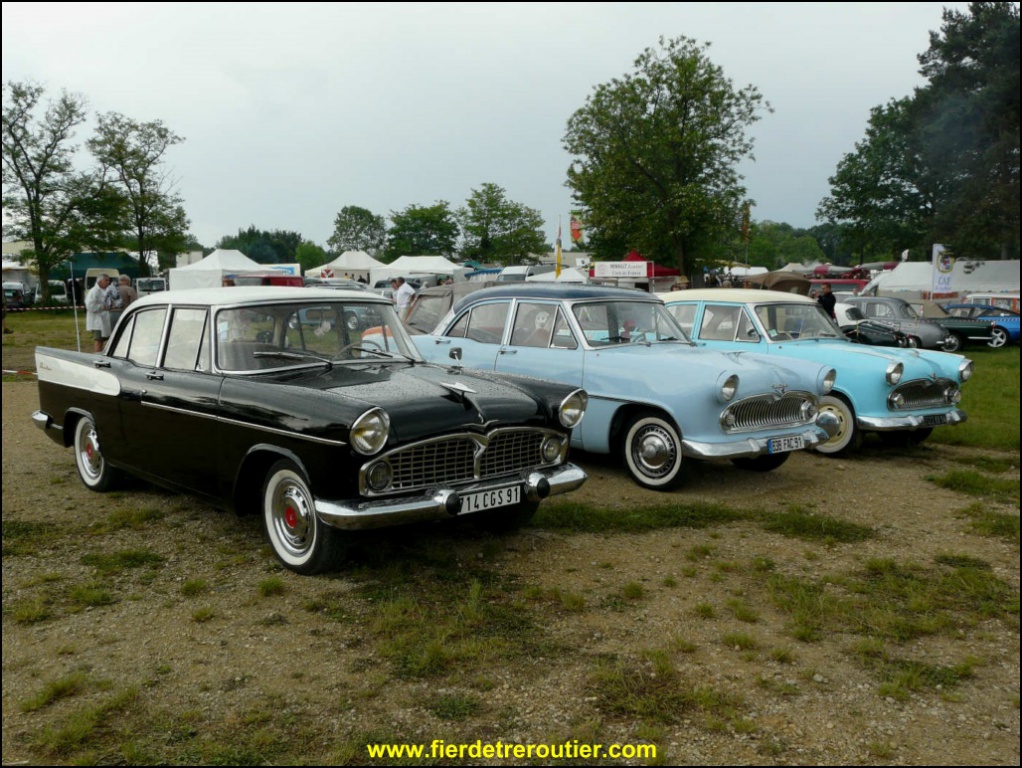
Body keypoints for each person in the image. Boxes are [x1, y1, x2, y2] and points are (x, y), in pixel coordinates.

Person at [86, 274, 113, 352]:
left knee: (107, 339)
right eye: (106, 280)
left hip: (106, 318)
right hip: (98, 320)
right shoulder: (94, 291)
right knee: (99, 340)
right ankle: (98, 356)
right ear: (100, 281)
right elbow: (90, 306)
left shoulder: (107, 290)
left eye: (109, 280)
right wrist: (102, 307)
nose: (108, 282)